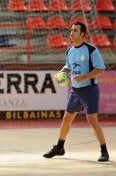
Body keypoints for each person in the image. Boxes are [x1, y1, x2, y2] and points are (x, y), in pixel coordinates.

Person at [43, 22, 109, 162]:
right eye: (71, 30)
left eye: (75, 30)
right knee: (67, 118)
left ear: (83, 34)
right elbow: (68, 66)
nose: (71, 33)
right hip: (75, 90)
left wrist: (85, 77)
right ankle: (59, 148)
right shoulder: (69, 51)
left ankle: (104, 151)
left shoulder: (91, 50)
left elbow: (101, 69)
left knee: (92, 120)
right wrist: (61, 73)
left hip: (89, 89)